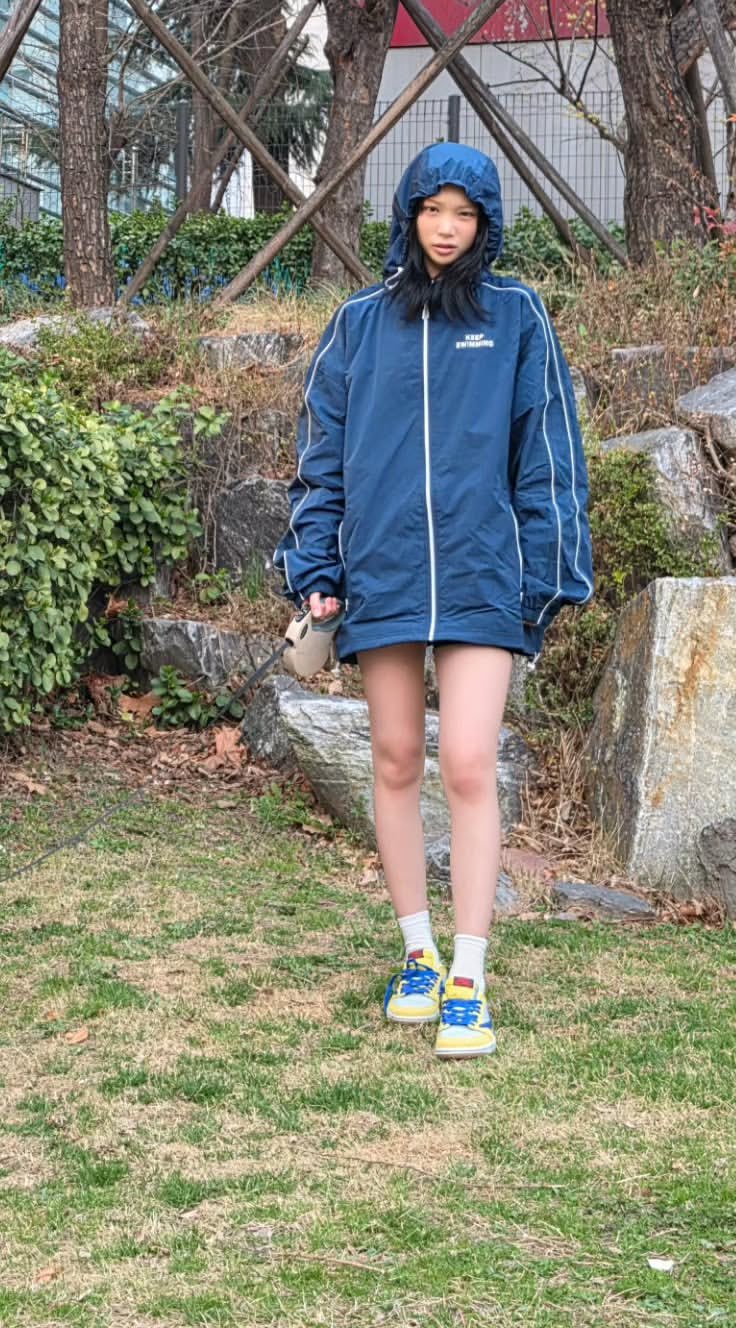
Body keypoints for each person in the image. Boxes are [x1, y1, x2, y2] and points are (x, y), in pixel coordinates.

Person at [275, 144, 591, 1058]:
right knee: (395, 758)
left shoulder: (518, 315)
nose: (447, 229)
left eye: (464, 213)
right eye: (432, 210)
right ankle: (418, 955)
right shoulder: (358, 323)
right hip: (383, 571)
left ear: (486, 222)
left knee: (467, 762)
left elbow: (549, 453)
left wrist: (546, 573)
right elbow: (322, 461)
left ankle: (469, 977)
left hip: (483, 572)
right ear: (408, 215)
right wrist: (317, 566)